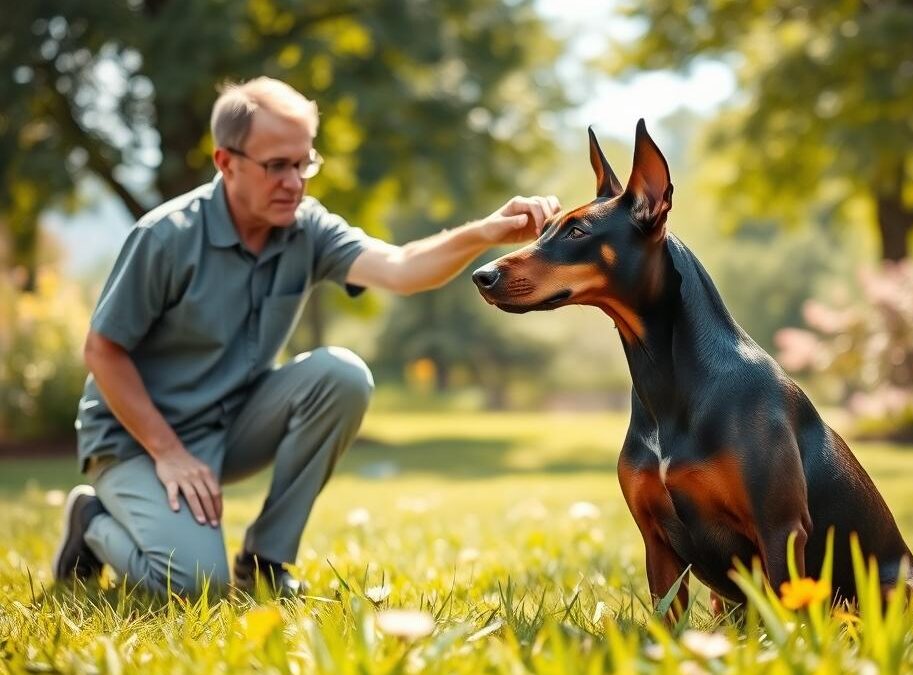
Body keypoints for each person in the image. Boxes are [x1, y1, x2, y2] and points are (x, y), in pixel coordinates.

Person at [52, 77, 560, 597]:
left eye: (303, 163)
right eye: (277, 166)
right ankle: (91, 520)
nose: (295, 182)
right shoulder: (166, 236)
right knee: (193, 583)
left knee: (341, 375)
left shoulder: (306, 228)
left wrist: (487, 232)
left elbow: (402, 268)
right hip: (137, 442)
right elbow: (102, 350)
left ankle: (266, 560)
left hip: (228, 425)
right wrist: (169, 453)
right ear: (226, 162)